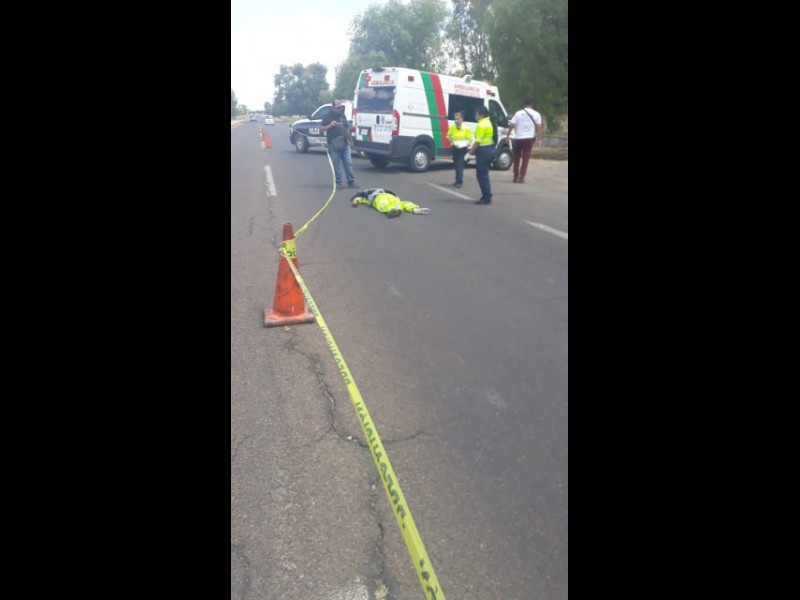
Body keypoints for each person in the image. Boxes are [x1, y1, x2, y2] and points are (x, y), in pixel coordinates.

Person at [320, 99, 357, 189]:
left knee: (348, 163)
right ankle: (339, 182)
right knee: (336, 164)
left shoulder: (342, 116)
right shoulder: (327, 117)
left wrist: (351, 141)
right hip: (333, 144)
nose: (339, 109)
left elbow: (346, 129)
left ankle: (351, 182)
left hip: (344, 143)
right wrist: (330, 125)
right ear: (332, 108)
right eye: (337, 108)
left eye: (340, 107)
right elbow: (321, 129)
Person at [507, 98, 543, 184]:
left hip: (518, 138)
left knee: (516, 158)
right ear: (532, 104)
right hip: (529, 139)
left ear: (524, 104)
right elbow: (539, 127)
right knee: (525, 159)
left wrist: (507, 136)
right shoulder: (536, 114)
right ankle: (521, 177)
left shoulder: (518, 113)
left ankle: (515, 176)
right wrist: (539, 140)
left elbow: (512, 125)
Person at [468, 105, 495, 205]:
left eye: (476, 114)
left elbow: (478, 141)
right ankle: (486, 196)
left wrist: (469, 153)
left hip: (483, 151)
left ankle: (486, 197)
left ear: (481, 115)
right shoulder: (488, 122)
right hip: (489, 149)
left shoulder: (481, 125)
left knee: (482, 175)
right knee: (484, 174)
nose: (475, 116)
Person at [350, 188, 431, 218]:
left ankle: (392, 211)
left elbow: (360, 198)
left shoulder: (367, 195)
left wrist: (355, 201)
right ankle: (414, 209)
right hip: (391, 196)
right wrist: (356, 201)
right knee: (401, 203)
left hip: (379, 197)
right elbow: (359, 198)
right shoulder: (378, 190)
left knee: (382, 205)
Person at [446, 111, 473, 188]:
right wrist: (451, 140)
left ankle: (459, 182)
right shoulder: (452, 127)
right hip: (455, 148)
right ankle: (457, 180)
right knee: (456, 165)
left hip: (462, 149)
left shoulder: (466, 128)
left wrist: (467, 144)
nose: (456, 120)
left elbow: (470, 139)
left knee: (460, 165)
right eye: (455, 119)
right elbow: (448, 136)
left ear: (462, 119)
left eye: (458, 119)